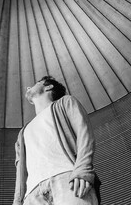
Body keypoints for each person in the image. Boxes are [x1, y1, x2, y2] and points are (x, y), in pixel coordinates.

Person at [13, 76, 100, 205]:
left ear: (48, 87)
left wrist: (83, 169)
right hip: (32, 195)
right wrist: (17, 201)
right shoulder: (23, 132)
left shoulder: (65, 103)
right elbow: (20, 169)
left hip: (68, 180)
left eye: (37, 83)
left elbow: (84, 133)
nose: (28, 87)